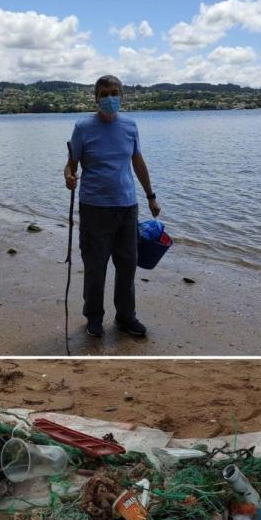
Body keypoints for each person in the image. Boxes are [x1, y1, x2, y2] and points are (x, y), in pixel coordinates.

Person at [64, 75, 161, 338]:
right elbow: (71, 164)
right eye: (104, 93)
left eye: (114, 92)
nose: (109, 98)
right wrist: (69, 177)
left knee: (127, 265)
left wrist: (151, 196)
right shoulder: (83, 127)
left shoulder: (130, 126)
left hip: (128, 207)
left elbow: (138, 162)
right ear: (96, 98)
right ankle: (94, 318)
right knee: (96, 267)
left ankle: (126, 316)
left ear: (122, 96)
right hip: (94, 207)